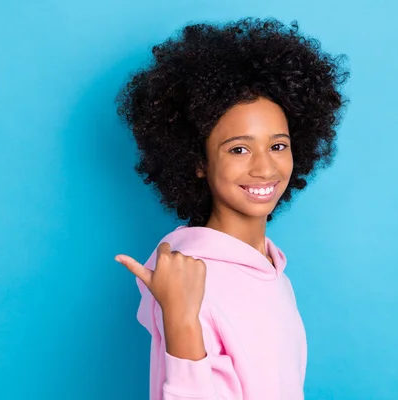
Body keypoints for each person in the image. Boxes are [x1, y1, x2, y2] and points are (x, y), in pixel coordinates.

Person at [113, 17, 350, 400]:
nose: (265, 168)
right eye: (239, 149)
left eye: (278, 145)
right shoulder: (189, 277)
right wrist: (182, 320)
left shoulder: (271, 270)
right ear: (198, 160)